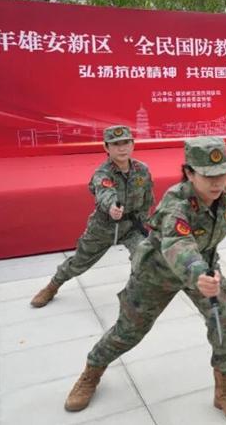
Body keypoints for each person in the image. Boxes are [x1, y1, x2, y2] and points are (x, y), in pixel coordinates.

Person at [64, 137, 226, 422]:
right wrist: (199, 273)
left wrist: (208, 271)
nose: (217, 182)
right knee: (128, 332)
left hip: (202, 271)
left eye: (222, 173)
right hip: (157, 274)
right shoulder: (177, 204)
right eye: (208, 175)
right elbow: (178, 243)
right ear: (189, 173)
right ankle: (92, 371)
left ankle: (225, 390)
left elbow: (207, 239)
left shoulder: (219, 195)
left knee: (223, 321)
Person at [30, 126, 153, 308]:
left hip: (131, 226)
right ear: (106, 147)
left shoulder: (142, 169)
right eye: (115, 144)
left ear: (133, 144)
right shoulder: (103, 173)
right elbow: (105, 193)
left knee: (144, 256)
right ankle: (52, 286)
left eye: (126, 143)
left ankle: (136, 293)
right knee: (79, 262)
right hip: (104, 227)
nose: (122, 148)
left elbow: (147, 199)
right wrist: (112, 207)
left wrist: (145, 224)